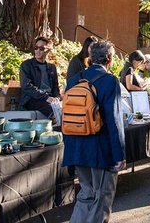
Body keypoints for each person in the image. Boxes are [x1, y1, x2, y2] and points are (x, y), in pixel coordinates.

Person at [63, 40, 125, 223]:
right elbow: (114, 120)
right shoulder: (109, 81)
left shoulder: (74, 80)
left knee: (86, 194)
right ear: (110, 59)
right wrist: (119, 154)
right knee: (102, 197)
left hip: (77, 147)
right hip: (101, 148)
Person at [19, 36, 61, 117]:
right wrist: (45, 97)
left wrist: (57, 98)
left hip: (49, 99)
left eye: (41, 49)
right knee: (52, 110)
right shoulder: (27, 65)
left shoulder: (52, 67)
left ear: (48, 50)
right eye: (36, 48)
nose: (37, 51)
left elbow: (55, 87)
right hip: (32, 99)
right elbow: (26, 86)